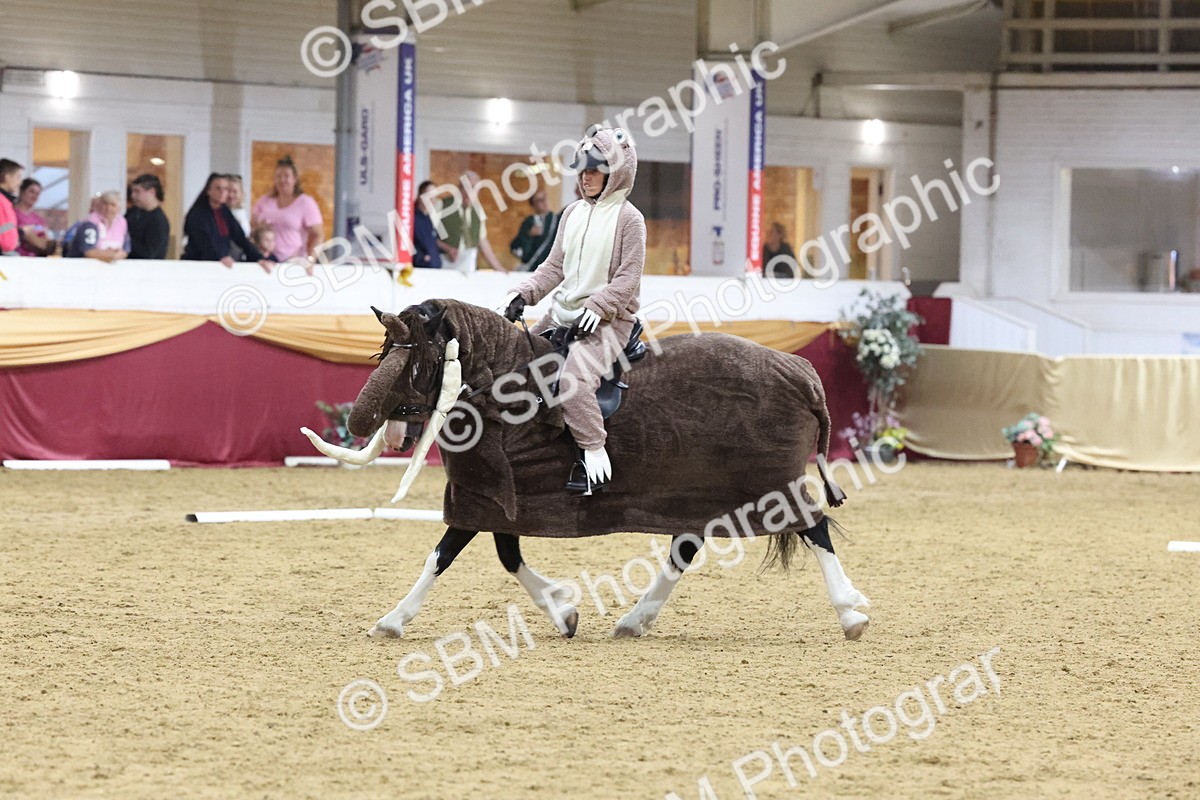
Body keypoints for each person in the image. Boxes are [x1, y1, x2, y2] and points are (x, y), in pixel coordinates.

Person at [497, 127, 644, 493]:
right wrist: (523, 293)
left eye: (594, 170)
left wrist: (599, 304)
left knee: (573, 383)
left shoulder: (630, 219)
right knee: (516, 362)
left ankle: (593, 455)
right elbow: (553, 268)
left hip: (609, 320)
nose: (586, 177)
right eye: (582, 170)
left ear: (615, 172)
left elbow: (628, 278)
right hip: (563, 314)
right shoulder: (572, 213)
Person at [182, 173, 271, 271]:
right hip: (198, 265)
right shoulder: (197, 214)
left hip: (220, 265)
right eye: (218, 188)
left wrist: (259, 258)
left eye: (225, 189)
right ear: (208, 190)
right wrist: (219, 257)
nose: (222, 192)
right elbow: (204, 241)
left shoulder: (224, 212)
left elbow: (240, 238)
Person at [251, 156, 322, 263]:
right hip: (266, 259)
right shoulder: (264, 200)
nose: (282, 180)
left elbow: (318, 234)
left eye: (286, 176)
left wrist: (311, 259)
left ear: (294, 179)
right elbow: (253, 225)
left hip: (293, 260)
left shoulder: (305, 202)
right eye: (278, 176)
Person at [437, 171, 507, 273]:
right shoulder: (441, 205)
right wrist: (447, 248)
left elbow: (482, 241)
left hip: (468, 263)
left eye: (473, 188)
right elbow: (428, 236)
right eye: (465, 187)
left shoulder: (478, 210)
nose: (469, 192)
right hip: (444, 263)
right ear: (459, 189)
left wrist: (498, 268)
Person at [62, 195, 129, 262]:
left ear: (119, 208)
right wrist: (111, 255)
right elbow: (88, 251)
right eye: (105, 204)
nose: (109, 208)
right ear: (99, 207)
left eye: (113, 205)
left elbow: (125, 250)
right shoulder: (90, 224)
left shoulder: (122, 224)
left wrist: (116, 255)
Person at [509, 189, 559, 271]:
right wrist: (529, 235)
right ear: (533, 204)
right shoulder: (528, 221)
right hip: (532, 266)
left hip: (550, 267)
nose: (544, 202)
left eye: (545, 199)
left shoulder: (556, 219)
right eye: (540, 200)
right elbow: (517, 244)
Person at [126, 174, 170, 259]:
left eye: (137, 191)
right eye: (132, 191)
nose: (133, 195)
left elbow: (149, 253)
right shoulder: (132, 213)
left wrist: (126, 239)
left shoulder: (158, 221)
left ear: (152, 192)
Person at [14, 178, 56, 256]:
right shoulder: (13, 214)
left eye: (37, 193)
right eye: (31, 192)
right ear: (22, 191)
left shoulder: (38, 219)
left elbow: (47, 244)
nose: (34, 196)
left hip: (36, 260)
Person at [412, 180, 442, 269]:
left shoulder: (428, 220)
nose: (433, 200)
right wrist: (421, 258)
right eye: (429, 196)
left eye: (434, 196)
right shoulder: (413, 218)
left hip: (433, 269)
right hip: (420, 269)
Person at [0, 159, 23, 255]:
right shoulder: (2, 201)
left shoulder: (6, 201)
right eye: (18, 177)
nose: (19, 182)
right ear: (7, 177)